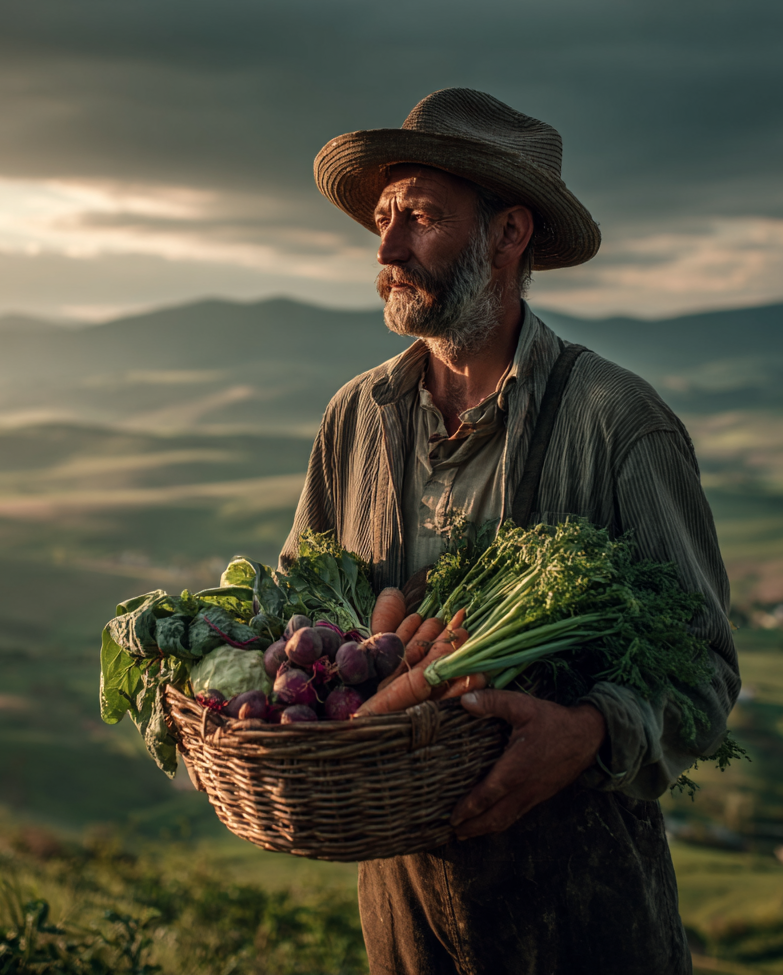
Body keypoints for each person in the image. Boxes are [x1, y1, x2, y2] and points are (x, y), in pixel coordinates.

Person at [280, 88, 739, 974]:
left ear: (509, 235)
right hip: (405, 913)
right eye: (383, 218)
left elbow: (705, 670)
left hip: (588, 913)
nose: (386, 249)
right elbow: (298, 617)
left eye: (420, 216)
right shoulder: (357, 419)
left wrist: (591, 732)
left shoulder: (617, 423)